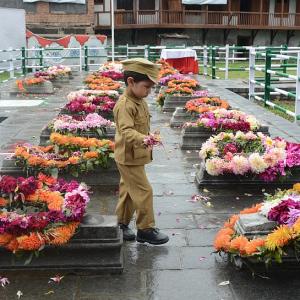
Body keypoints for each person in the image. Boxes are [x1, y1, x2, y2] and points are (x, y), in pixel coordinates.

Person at [113, 58, 169, 245]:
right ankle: (145, 229)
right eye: (146, 87)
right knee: (144, 191)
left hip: (134, 156)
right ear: (130, 82)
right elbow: (127, 131)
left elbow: (141, 126)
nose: (149, 91)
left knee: (128, 191)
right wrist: (144, 139)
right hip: (128, 157)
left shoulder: (139, 100)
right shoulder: (124, 105)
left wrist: (148, 135)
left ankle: (121, 224)